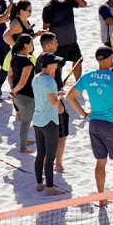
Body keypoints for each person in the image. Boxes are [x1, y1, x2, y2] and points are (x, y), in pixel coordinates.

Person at [67, 46, 113, 208]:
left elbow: (70, 97)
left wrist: (84, 114)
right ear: (107, 59)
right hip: (111, 124)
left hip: (94, 124)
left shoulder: (88, 76)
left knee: (100, 162)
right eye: (112, 57)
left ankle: (102, 198)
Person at [31, 52, 66, 196]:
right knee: (50, 156)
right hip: (49, 122)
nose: (57, 65)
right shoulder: (50, 82)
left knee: (40, 154)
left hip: (38, 120)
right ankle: (50, 188)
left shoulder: (36, 78)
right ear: (48, 65)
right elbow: (53, 103)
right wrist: (59, 96)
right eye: (55, 63)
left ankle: (39, 183)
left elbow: (46, 98)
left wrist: (55, 95)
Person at [41, 0, 87, 82]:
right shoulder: (49, 7)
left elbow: (83, 4)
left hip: (72, 40)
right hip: (59, 43)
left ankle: (78, 82)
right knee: (58, 65)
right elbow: (45, 26)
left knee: (78, 61)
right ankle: (58, 84)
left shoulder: (68, 2)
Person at [39, 32, 69, 173]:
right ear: (48, 45)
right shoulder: (49, 64)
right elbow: (49, 85)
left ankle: (54, 165)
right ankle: (56, 164)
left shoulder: (41, 61)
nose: (57, 44)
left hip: (43, 104)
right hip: (53, 102)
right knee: (59, 137)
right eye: (55, 42)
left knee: (48, 138)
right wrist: (59, 104)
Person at [10, 34, 36, 152]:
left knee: (25, 122)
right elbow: (23, 81)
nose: (32, 46)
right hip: (26, 96)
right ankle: (23, 147)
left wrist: (13, 89)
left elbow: (10, 76)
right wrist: (14, 90)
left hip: (16, 96)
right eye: (31, 43)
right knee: (26, 122)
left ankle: (24, 141)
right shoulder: (27, 63)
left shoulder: (14, 58)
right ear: (25, 45)